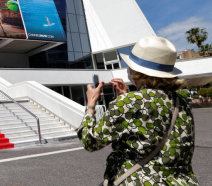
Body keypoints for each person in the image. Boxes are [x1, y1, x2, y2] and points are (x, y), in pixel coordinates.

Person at [78, 36, 198, 186]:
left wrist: (90, 105)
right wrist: (126, 99)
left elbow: (91, 142)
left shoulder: (129, 102)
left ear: (134, 69)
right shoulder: (183, 102)